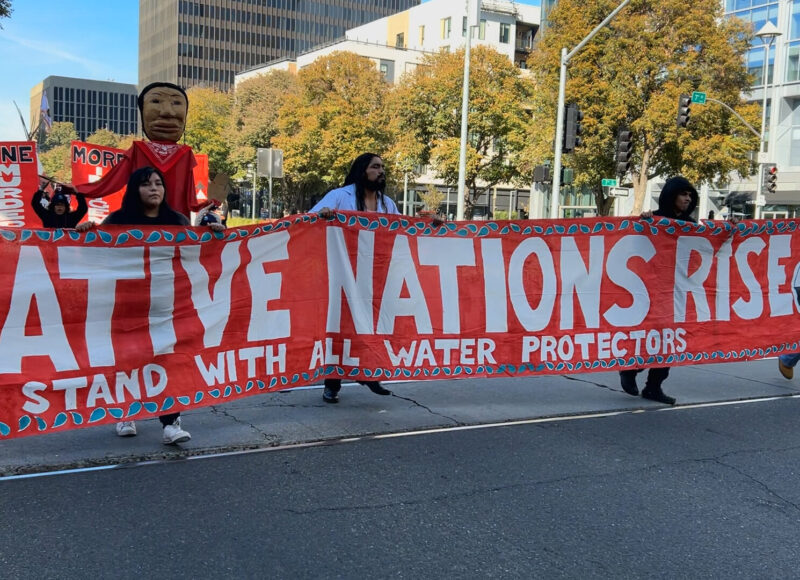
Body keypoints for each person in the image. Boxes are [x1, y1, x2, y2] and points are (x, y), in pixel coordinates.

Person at [77, 166, 223, 443]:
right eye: (146, 184)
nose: (154, 188)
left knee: (168, 362)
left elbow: (195, 255)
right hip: (127, 306)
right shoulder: (117, 221)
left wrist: (212, 233)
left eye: (158, 183)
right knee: (128, 360)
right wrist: (87, 232)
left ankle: (171, 423)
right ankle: (125, 413)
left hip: (167, 306)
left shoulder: (177, 220)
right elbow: (95, 258)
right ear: (135, 190)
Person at [310, 153, 400, 403]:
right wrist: (324, 215)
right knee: (341, 328)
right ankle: (332, 383)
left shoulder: (387, 203)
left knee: (371, 326)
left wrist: (428, 223)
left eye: (383, 167)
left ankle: (369, 373)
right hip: (342, 275)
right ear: (363, 170)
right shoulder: (340, 196)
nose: (381, 171)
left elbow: (401, 230)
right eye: (375, 167)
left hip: (375, 276)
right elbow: (309, 221)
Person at [68, 82, 212, 217]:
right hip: (170, 227)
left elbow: (110, 182)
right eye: (156, 101)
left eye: (176, 103)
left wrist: (78, 189)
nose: (168, 112)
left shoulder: (184, 154)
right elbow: (111, 182)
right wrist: (78, 189)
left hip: (156, 225)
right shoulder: (141, 150)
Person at [619, 176, 698, 405]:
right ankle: (631, 369)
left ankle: (654, 386)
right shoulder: (654, 220)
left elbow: (711, 245)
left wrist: (732, 227)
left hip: (677, 292)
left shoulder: (690, 225)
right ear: (672, 195)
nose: (687, 199)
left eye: (690, 195)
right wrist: (644, 221)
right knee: (652, 336)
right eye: (684, 194)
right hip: (652, 290)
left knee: (669, 341)